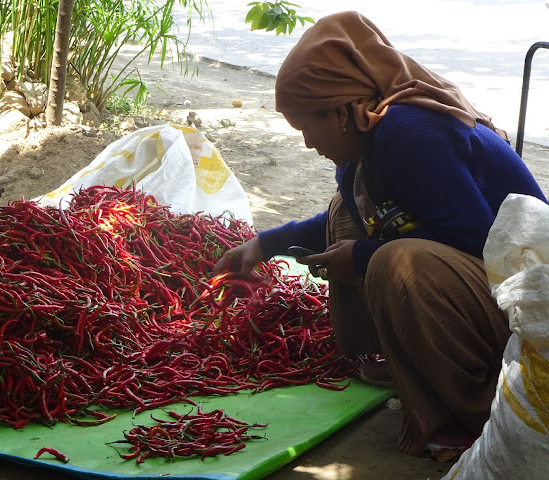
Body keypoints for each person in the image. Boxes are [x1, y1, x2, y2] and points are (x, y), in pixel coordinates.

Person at [213, 11, 548, 457]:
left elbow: (476, 238)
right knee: (344, 216)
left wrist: (365, 257)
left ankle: (475, 414)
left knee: (396, 263)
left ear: (342, 111)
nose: (308, 143)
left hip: (525, 307)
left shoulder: (409, 132)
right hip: (486, 287)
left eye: (307, 126)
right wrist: (263, 245)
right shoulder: (367, 143)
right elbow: (357, 216)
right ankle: (394, 358)